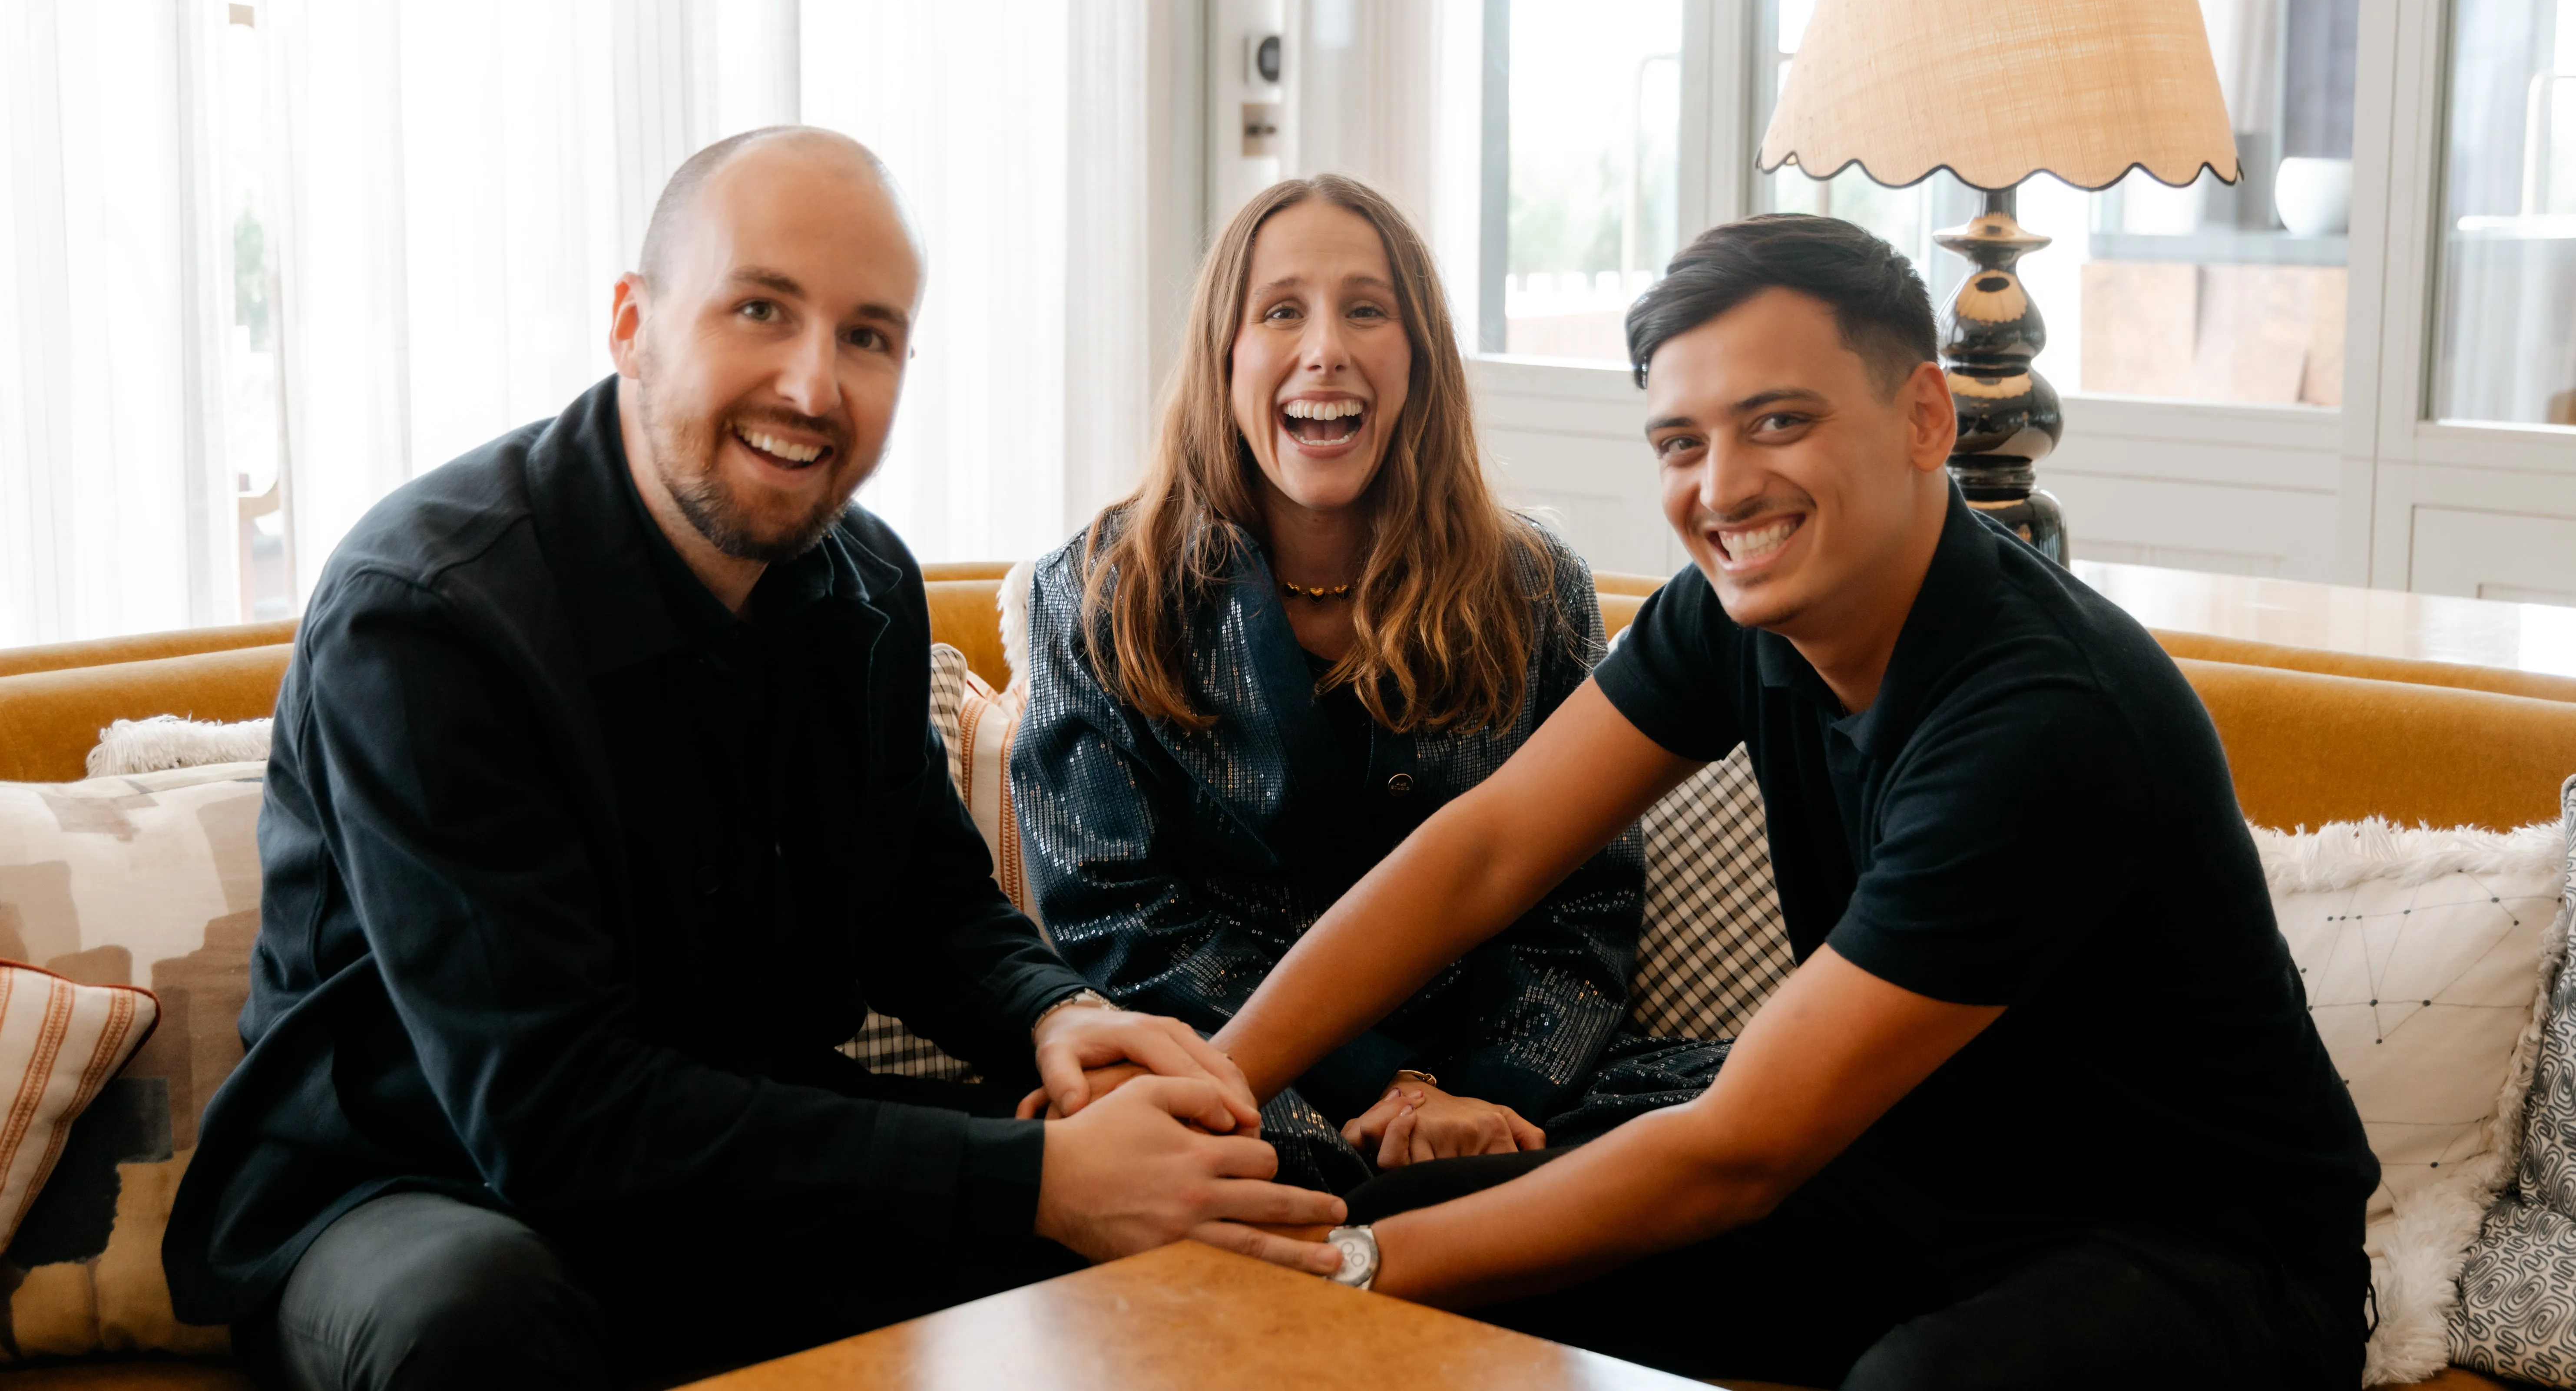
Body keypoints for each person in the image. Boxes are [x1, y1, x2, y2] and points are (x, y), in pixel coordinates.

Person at [163, 126, 1344, 1391]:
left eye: (867, 336)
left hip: (747, 1147)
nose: (812, 385)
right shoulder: (427, 615)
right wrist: (1035, 1183)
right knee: (483, 1322)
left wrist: (1058, 1016)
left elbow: (926, 906)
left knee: (1243, 1190)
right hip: (413, 1187)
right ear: (633, 322)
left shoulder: (869, 585)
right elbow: (552, 1113)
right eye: (760, 310)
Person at [1205, 213, 2380, 1388]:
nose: (1722, 489)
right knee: (1403, 1207)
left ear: (1927, 418)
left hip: (2203, 1254)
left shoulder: (2045, 720)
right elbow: (1490, 849)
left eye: (1779, 422)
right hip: (1904, 1186)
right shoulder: (1730, 611)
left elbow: (1739, 1151)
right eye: (1679, 442)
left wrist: (1349, 1264)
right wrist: (1216, 1085)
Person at [1012, 175, 1720, 1193]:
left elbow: (1584, 900)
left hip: (1516, 1096)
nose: (1326, 349)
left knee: (1756, 1118)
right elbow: (1115, 915)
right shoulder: (1091, 592)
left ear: (1419, 359)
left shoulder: (1533, 585)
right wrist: (1386, 1084)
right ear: (1227, 354)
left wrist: (1485, 1091)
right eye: (1281, 310)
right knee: (1143, 1144)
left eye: (1367, 309)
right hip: (1238, 1075)